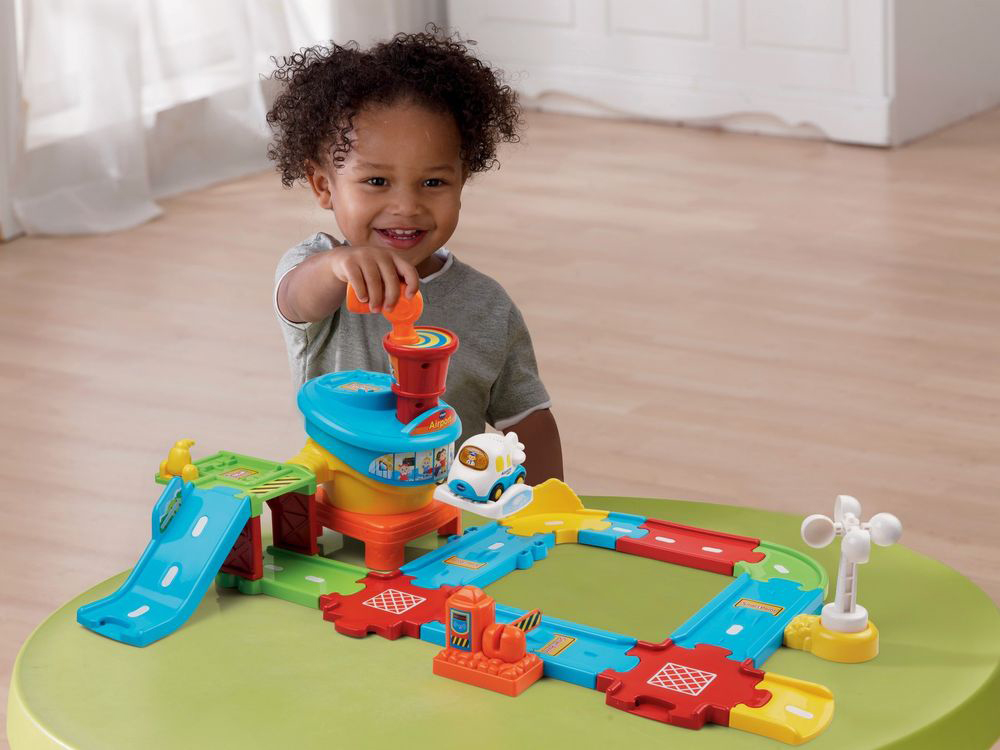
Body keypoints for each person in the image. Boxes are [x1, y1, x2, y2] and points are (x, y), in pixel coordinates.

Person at [267, 29, 563, 483]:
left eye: (433, 182)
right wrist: (337, 266)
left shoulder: (488, 305)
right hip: (344, 503)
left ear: (462, 181)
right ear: (324, 186)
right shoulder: (322, 270)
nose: (407, 206)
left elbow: (527, 421)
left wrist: (546, 509)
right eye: (376, 182)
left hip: (450, 513)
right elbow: (296, 298)